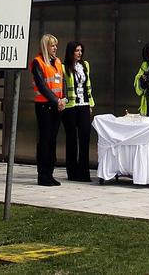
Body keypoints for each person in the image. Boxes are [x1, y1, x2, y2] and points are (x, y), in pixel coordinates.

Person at [32, 33, 66, 186]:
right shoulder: (38, 62)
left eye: (56, 45)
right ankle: (43, 175)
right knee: (45, 140)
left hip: (57, 106)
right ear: (45, 47)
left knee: (52, 140)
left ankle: (50, 173)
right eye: (52, 45)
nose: (55, 48)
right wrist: (56, 100)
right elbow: (42, 86)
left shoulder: (57, 61)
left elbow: (62, 82)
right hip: (44, 105)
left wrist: (63, 99)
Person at [62, 41, 94, 182]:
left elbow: (88, 85)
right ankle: (72, 172)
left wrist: (90, 104)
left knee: (85, 137)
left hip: (84, 105)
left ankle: (84, 172)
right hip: (70, 107)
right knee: (71, 139)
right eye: (77, 50)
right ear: (71, 52)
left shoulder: (85, 65)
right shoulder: (64, 67)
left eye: (81, 50)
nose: (79, 53)